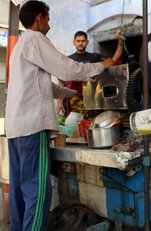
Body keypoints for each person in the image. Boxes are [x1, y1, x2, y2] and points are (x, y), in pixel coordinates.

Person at [4, 1, 121, 230]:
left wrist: (72, 92)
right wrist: (101, 65)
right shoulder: (36, 39)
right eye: (47, 18)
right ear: (38, 18)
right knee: (37, 193)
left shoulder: (20, 46)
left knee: (20, 190)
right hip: (31, 127)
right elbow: (66, 68)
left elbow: (42, 85)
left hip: (15, 128)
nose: (49, 23)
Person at [56, 30, 123, 116]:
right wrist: (59, 102)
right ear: (74, 42)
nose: (80, 43)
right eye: (78, 41)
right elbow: (61, 82)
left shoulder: (95, 57)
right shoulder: (68, 60)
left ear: (87, 42)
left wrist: (120, 43)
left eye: (83, 41)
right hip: (74, 101)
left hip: (94, 99)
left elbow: (113, 60)